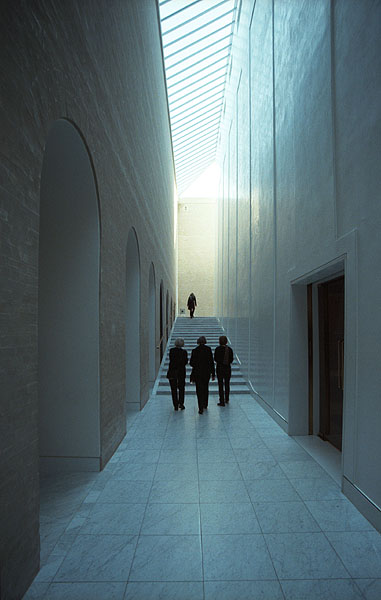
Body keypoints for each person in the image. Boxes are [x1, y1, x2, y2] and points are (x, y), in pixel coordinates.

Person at [190, 336, 215, 414]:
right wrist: (213, 373)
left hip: (197, 373)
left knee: (199, 390)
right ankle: (205, 404)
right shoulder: (208, 349)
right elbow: (211, 362)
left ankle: (200, 407)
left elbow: (191, 363)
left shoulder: (195, 351)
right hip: (206, 372)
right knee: (205, 388)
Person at [166, 338, 188, 410]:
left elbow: (171, 360)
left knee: (173, 389)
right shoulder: (184, 352)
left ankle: (175, 405)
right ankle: (181, 404)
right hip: (181, 372)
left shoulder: (172, 351)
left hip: (172, 372)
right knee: (181, 388)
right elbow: (185, 362)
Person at [214, 335, 234, 406]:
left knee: (220, 384)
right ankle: (227, 398)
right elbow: (231, 359)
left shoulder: (217, 349)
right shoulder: (229, 349)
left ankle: (221, 400)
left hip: (220, 368)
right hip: (227, 368)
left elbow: (215, 358)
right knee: (227, 383)